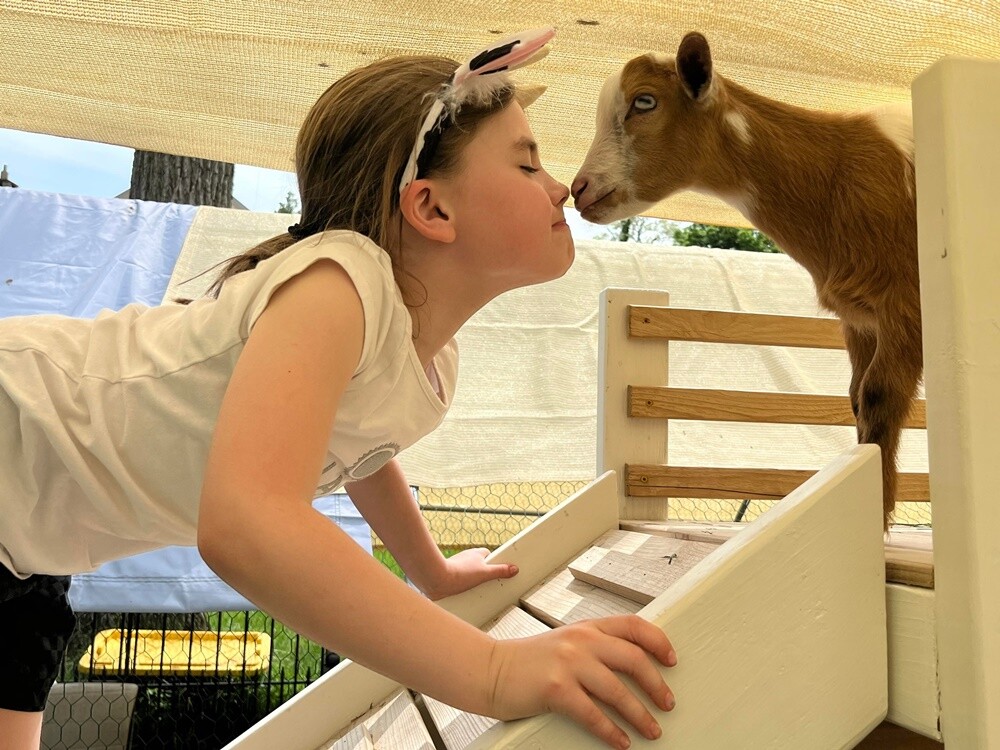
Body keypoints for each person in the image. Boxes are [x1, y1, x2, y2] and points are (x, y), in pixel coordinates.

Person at [0, 28, 676, 750]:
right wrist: (492, 670)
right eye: (527, 162)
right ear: (432, 209)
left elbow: (362, 452)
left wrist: (430, 570)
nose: (559, 186)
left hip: (32, 543)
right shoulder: (336, 281)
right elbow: (247, 524)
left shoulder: (427, 358)